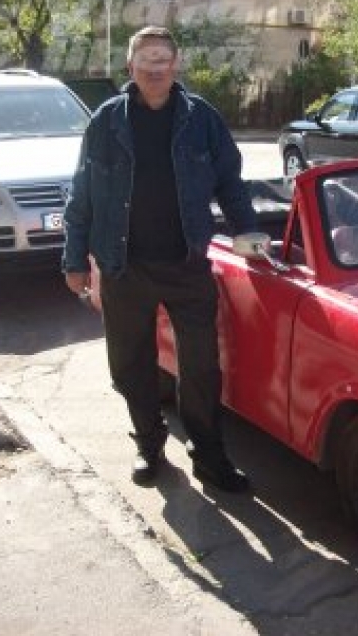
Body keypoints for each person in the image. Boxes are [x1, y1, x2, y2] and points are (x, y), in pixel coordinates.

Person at [62, 26, 257, 492]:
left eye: (162, 58)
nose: (154, 67)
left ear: (175, 65)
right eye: (145, 59)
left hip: (187, 265)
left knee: (201, 369)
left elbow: (230, 182)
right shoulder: (106, 122)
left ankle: (210, 456)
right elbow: (82, 194)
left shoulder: (202, 119)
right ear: (130, 67)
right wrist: (74, 260)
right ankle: (149, 446)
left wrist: (250, 234)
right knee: (131, 365)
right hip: (124, 267)